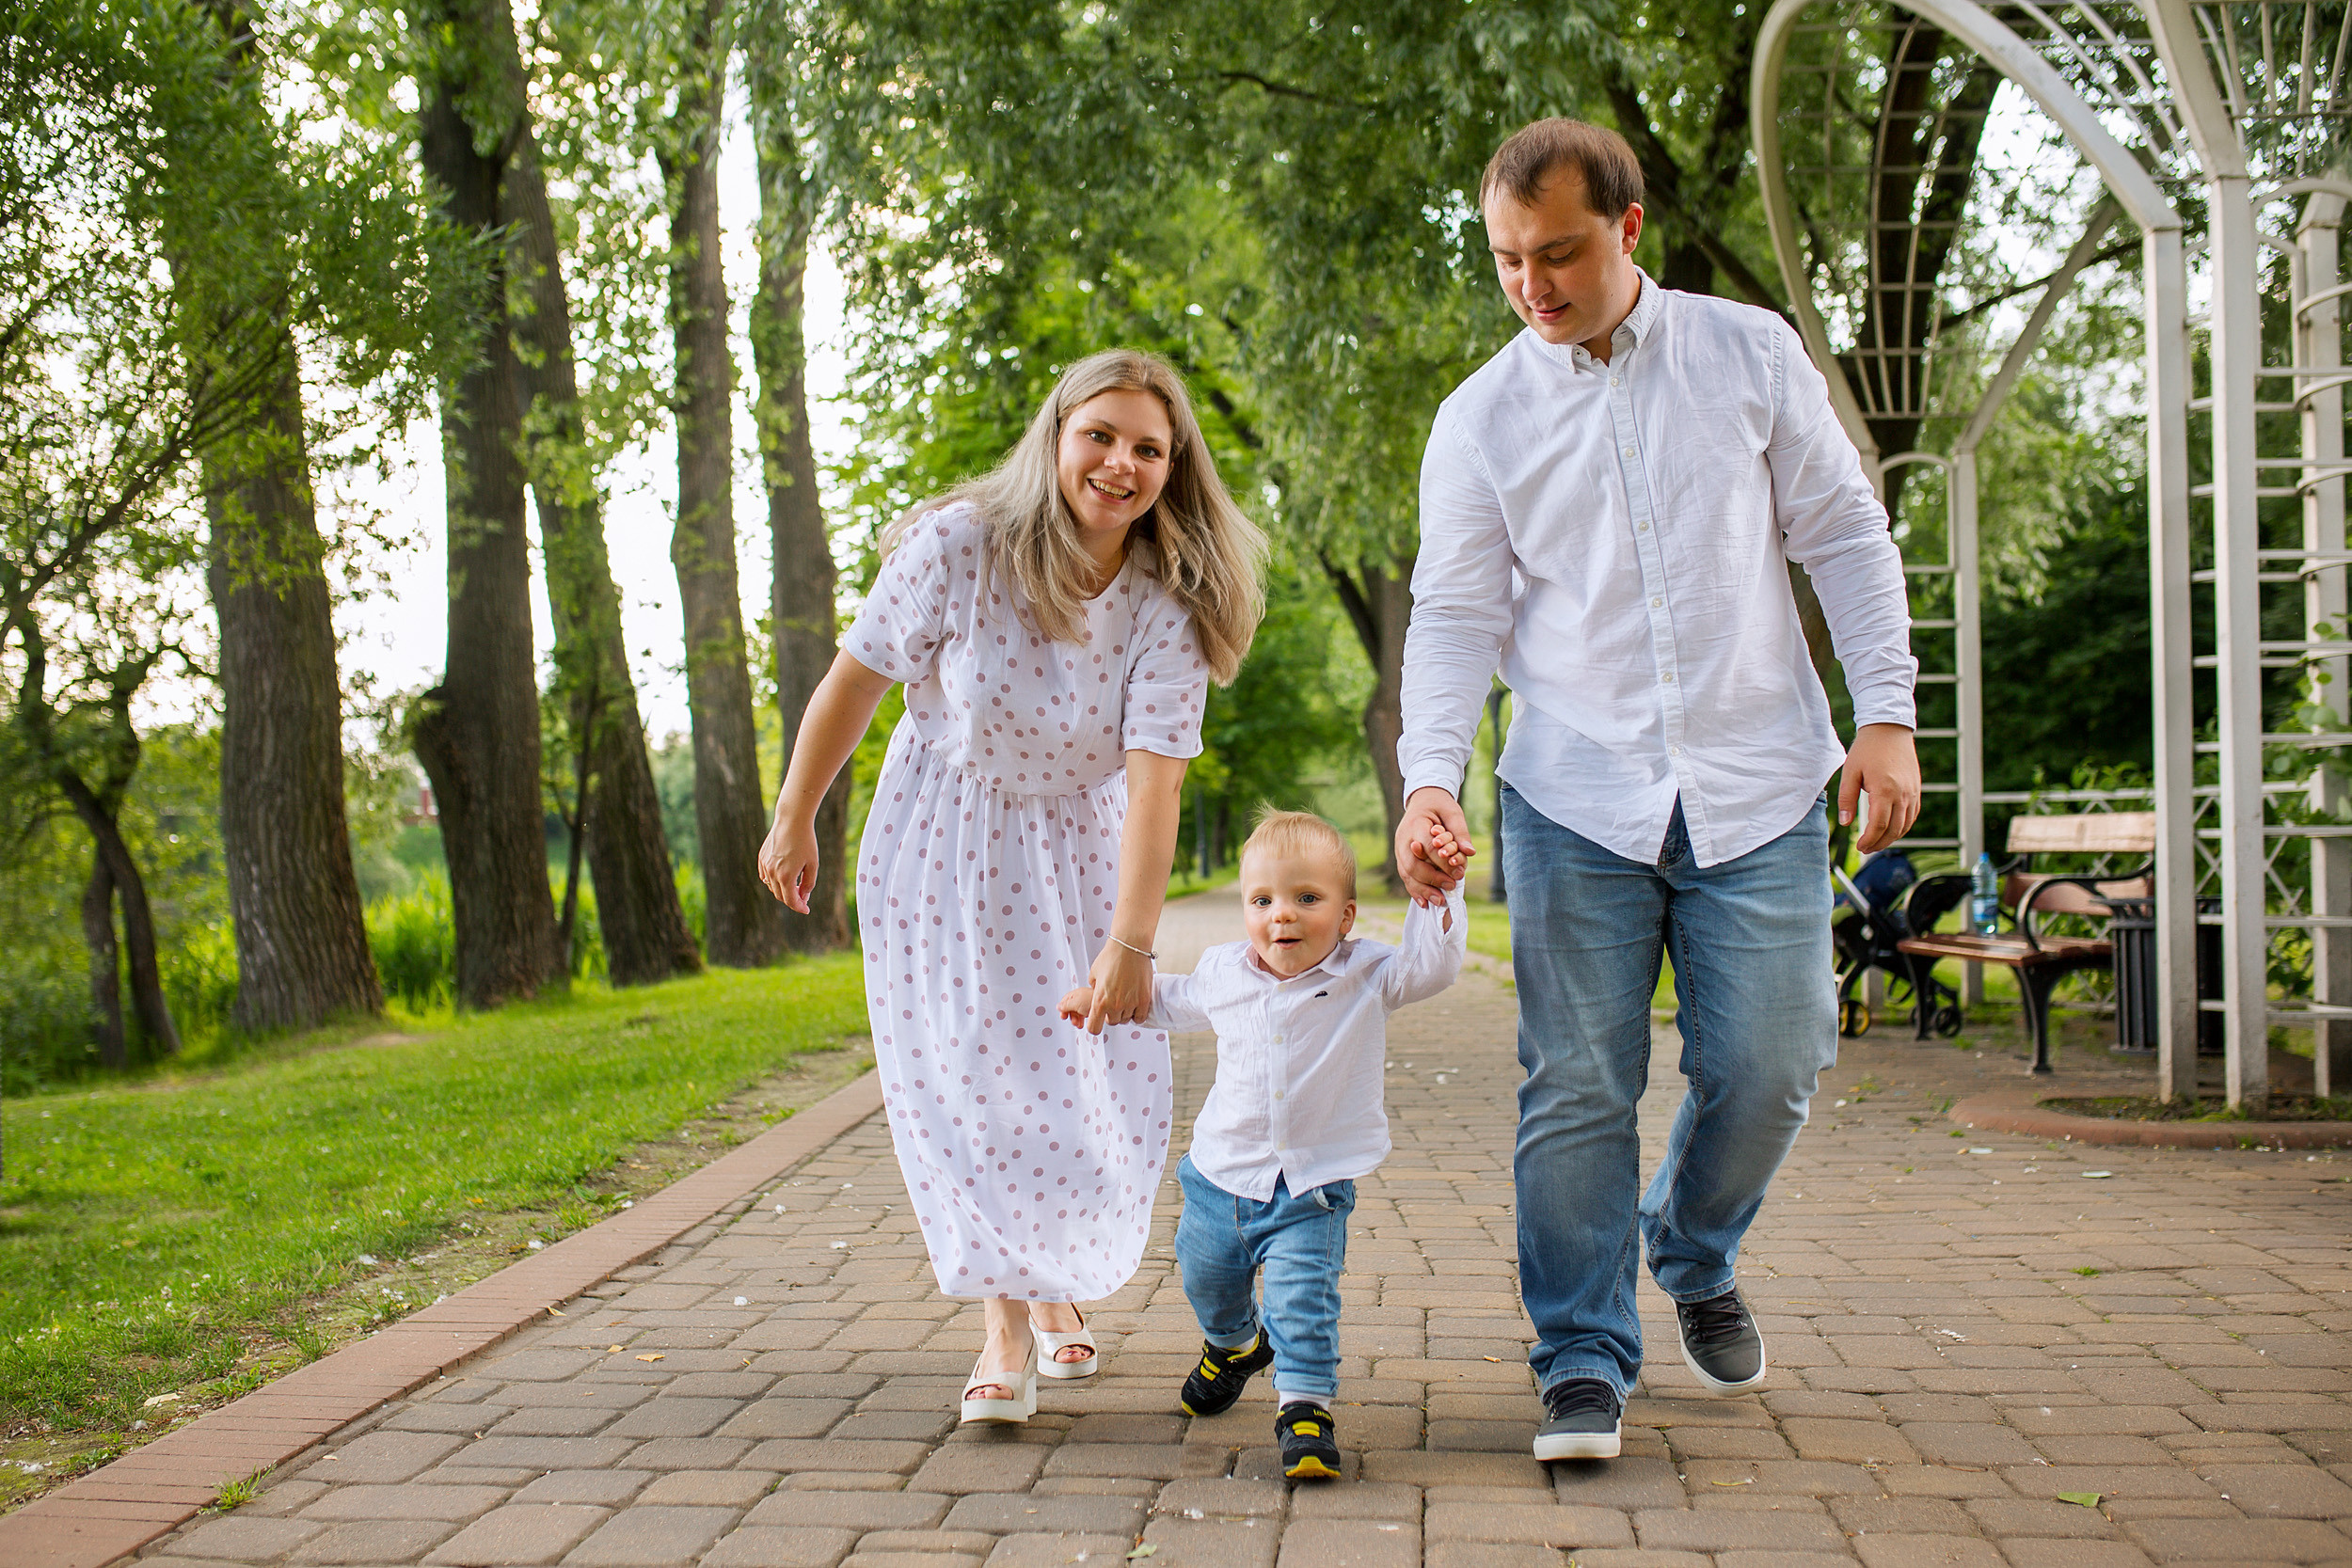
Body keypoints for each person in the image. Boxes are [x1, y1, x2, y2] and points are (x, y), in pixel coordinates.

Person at [1393, 119, 1921, 1462]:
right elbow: (1454, 614)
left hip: (1755, 776)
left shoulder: (1747, 355)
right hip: (1575, 788)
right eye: (1509, 258)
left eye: (1559, 251)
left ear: (1629, 231)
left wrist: (1889, 716)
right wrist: (1426, 778)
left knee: (1778, 1051)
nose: (1533, 283)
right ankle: (1580, 1351)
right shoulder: (1480, 418)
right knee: (1576, 1078)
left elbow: (1845, 534)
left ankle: (1689, 1245)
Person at [759, 349, 1266, 1425]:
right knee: (968, 1080)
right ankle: (1004, 1321)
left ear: (1174, 471)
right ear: (1056, 436)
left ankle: (1056, 1283)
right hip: (939, 838)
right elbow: (856, 679)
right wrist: (796, 809)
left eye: (1148, 448)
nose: (1120, 463)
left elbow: (1155, 789)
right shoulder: (959, 548)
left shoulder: (1165, 604)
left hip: (1081, 854)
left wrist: (1130, 946)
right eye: (1101, 435)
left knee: (1083, 1087)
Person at [1059, 811, 1467, 1478]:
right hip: (1221, 1179)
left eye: (1307, 898)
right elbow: (1169, 998)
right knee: (1205, 1277)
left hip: (1312, 1187)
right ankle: (1233, 1344)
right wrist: (1104, 995)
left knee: (1303, 1299)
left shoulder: (1368, 973)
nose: (1283, 915)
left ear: (1346, 915)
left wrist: (1438, 895)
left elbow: (1434, 966)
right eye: (1263, 900)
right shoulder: (1226, 971)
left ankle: (1304, 1408)